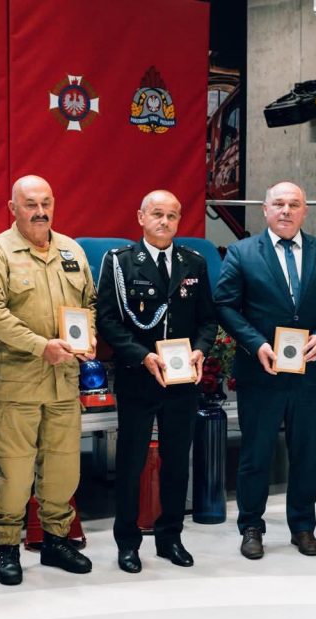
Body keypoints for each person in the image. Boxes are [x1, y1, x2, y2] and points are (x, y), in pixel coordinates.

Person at [214, 181, 316, 559]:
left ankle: (303, 526)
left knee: (305, 453)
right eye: (278, 204)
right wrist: (256, 343)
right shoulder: (243, 253)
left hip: (310, 373)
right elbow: (225, 305)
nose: (286, 211)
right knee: (256, 454)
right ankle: (251, 527)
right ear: (265, 209)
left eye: (294, 204)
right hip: (262, 372)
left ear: (305, 211)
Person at [0, 175, 96, 585]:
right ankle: (7, 546)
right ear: (13, 208)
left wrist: (89, 335)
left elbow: (90, 303)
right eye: (30, 204)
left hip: (63, 381)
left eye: (46, 203)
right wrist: (42, 346)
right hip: (16, 384)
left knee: (64, 469)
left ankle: (56, 541)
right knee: (15, 473)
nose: (40, 212)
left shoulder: (72, 250)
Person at [95, 190, 217, 573]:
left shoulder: (193, 262)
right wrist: (141, 356)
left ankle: (170, 538)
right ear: (141, 217)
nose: (165, 222)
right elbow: (107, 319)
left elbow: (208, 319)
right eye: (157, 214)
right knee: (130, 464)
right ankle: (127, 542)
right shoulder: (120, 262)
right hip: (138, 376)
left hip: (181, 380)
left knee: (177, 463)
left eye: (172, 215)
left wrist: (200, 350)